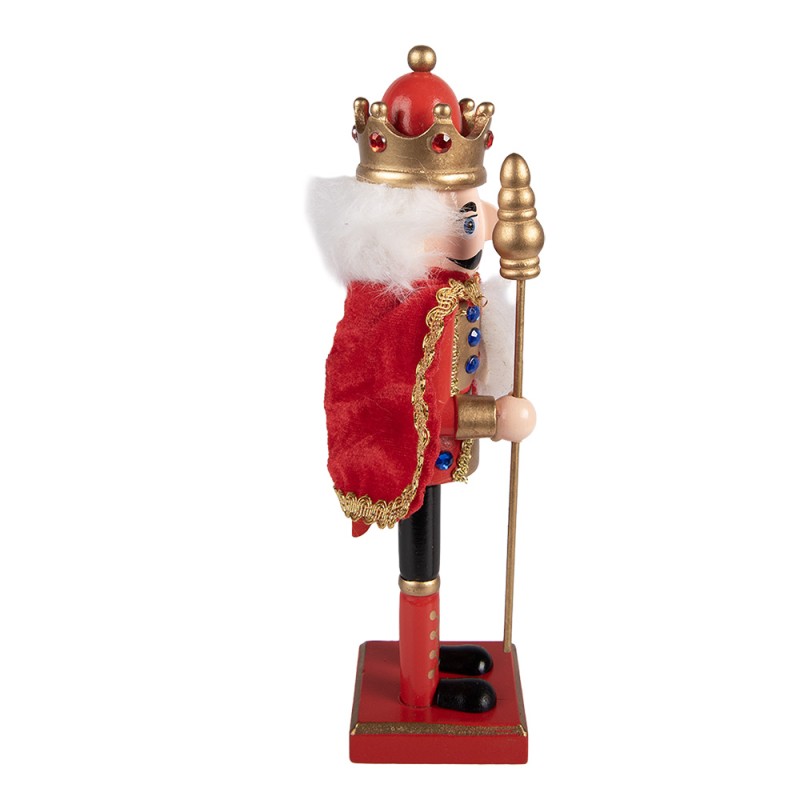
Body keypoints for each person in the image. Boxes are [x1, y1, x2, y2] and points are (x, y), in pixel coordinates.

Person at [309, 46, 535, 713]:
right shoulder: (399, 310)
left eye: (473, 206)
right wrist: (493, 419)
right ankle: (419, 683)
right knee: (420, 566)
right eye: (460, 214)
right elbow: (417, 403)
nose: (479, 224)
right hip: (413, 454)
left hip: (430, 457)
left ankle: (430, 658)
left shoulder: (442, 292)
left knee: (430, 555)